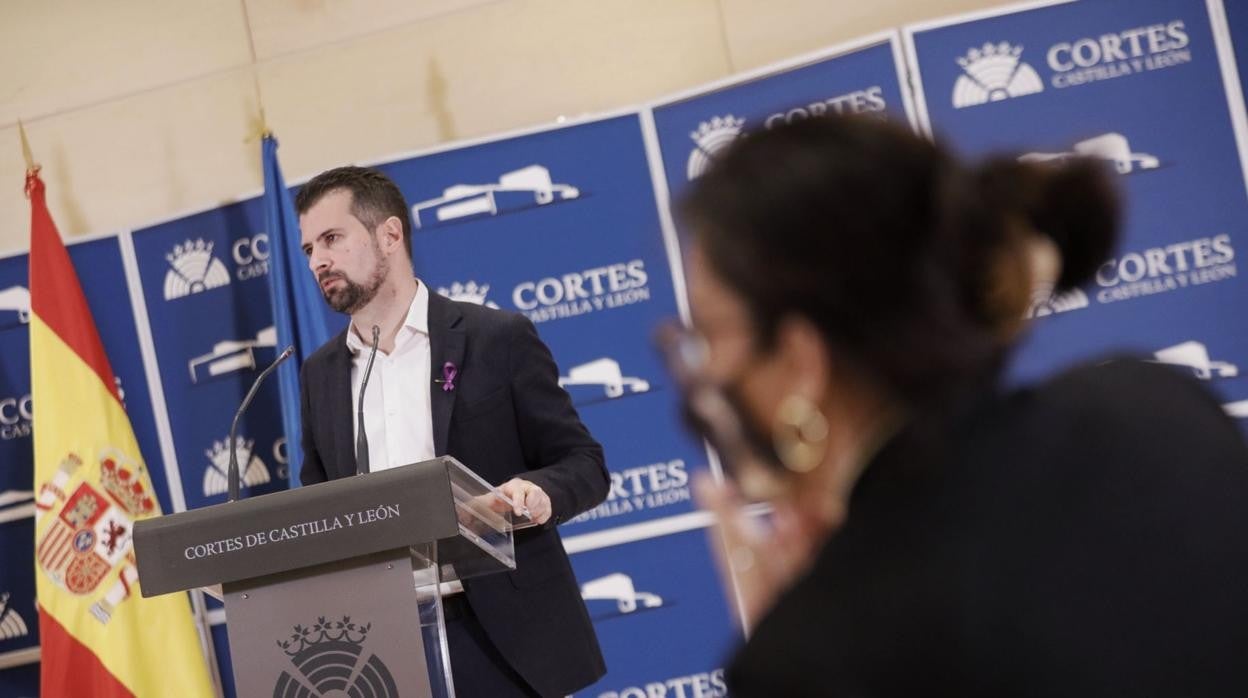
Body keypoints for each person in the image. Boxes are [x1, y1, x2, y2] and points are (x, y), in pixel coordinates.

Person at [665, 114, 1248, 696]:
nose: (708, 370)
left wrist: (799, 632)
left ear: (800, 362)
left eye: (711, 336)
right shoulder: (1149, 403)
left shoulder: (814, 655)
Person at [295, 166, 608, 697]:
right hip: (380, 648)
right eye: (308, 249)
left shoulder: (496, 339)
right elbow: (320, 508)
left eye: (331, 239)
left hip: (502, 636)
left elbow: (583, 464)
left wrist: (537, 494)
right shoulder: (319, 374)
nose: (318, 261)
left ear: (389, 235)